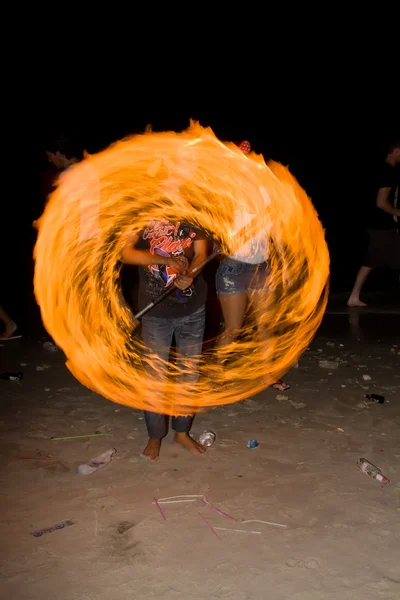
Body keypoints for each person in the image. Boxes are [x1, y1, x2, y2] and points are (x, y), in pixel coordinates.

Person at [122, 218, 209, 461]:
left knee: (189, 374)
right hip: (155, 311)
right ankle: (154, 436)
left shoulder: (196, 212)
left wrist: (191, 273)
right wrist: (165, 260)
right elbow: (124, 253)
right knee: (155, 376)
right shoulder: (140, 213)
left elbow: (202, 253)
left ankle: (181, 432)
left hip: (192, 309)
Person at [214, 141, 289, 391]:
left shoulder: (266, 192)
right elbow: (222, 234)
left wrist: (284, 265)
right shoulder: (226, 194)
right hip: (234, 268)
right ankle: (215, 374)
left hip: (262, 267)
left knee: (266, 326)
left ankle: (268, 375)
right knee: (233, 328)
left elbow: (275, 233)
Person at [347, 137, 400, 307]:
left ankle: (353, 297)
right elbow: (381, 202)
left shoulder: (380, 170)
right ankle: (353, 297)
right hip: (382, 226)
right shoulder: (388, 172)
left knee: (371, 260)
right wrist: (398, 212)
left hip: (373, 223)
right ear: (396, 150)